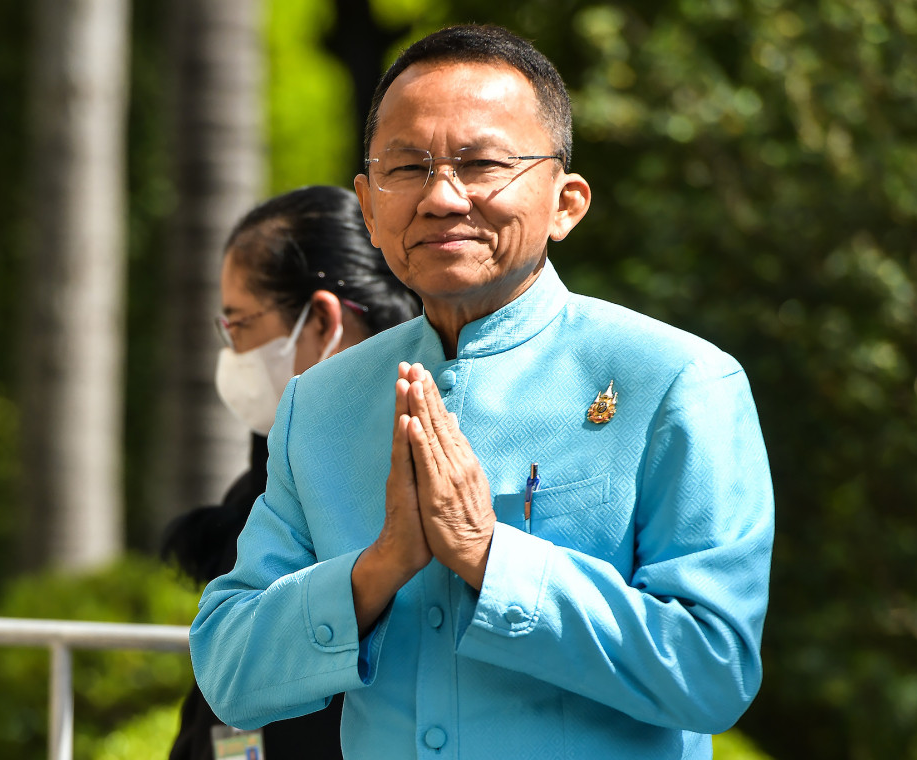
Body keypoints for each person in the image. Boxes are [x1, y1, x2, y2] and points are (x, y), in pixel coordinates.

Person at [191, 24, 774, 759]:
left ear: (566, 203)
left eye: (483, 164)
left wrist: (489, 555)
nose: (441, 197)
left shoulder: (675, 382)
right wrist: (378, 569)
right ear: (368, 207)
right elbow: (227, 671)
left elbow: (713, 670)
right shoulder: (320, 405)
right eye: (408, 167)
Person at [160, 185, 420, 760]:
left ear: (322, 320)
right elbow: (226, 711)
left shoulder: (415, 479)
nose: (231, 354)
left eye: (239, 326)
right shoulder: (265, 479)